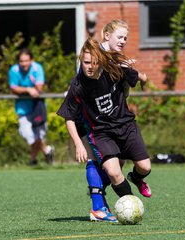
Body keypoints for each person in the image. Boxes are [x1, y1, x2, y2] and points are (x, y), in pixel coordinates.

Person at [57, 37, 152, 218]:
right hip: (100, 132)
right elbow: (68, 117)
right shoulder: (77, 86)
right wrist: (78, 144)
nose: (90, 67)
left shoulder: (113, 70)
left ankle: (109, 190)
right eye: (85, 63)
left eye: (94, 62)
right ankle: (130, 206)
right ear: (80, 62)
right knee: (114, 171)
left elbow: (134, 76)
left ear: (101, 61)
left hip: (125, 125)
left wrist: (143, 80)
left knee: (145, 167)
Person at [78, 20, 148, 222]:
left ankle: (100, 197)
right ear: (107, 35)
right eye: (120, 37)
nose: (124, 41)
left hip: (113, 120)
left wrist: (137, 77)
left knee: (116, 163)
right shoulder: (95, 53)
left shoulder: (116, 56)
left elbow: (125, 77)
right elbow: (86, 77)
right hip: (91, 117)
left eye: (126, 38)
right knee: (95, 159)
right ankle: (97, 206)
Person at [9, 48, 54, 166]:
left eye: (26, 61)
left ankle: (32, 161)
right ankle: (47, 150)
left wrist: (25, 88)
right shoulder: (14, 70)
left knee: (38, 135)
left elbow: (39, 88)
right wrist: (28, 89)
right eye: (21, 61)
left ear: (31, 60)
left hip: (37, 108)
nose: (24, 64)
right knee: (28, 135)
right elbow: (14, 89)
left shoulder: (37, 68)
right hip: (22, 109)